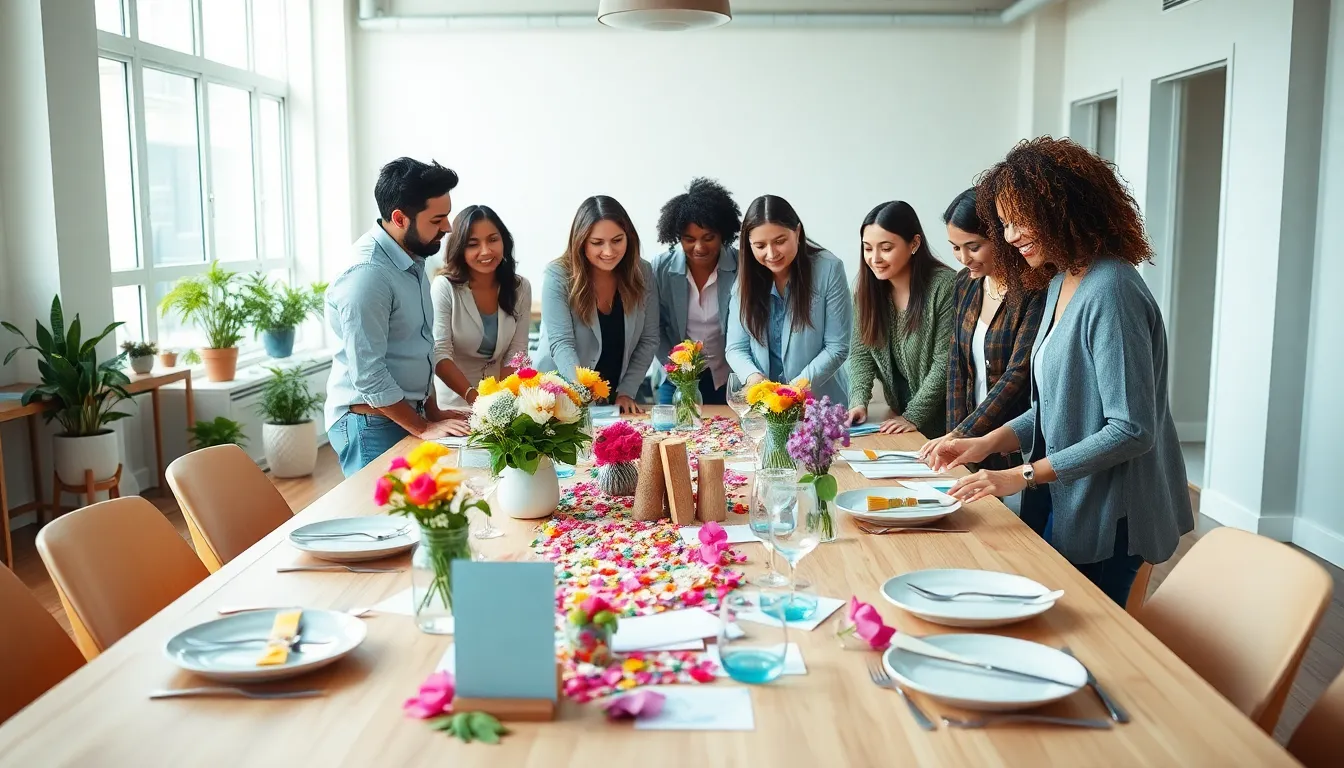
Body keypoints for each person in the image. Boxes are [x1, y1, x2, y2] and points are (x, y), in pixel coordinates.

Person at [930, 137, 1194, 607]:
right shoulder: (1061, 280)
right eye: (1004, 223)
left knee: (1090, 635)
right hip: (1068, 496)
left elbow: (1131, 430)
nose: (1011, 236)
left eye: (1020, 219)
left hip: (1112, 513)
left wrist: (1023, 475)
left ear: (1062, 208)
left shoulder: (1111, 291)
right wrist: (987, 442)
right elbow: (1056, 405)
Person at [324, 157, 470, 478]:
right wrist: (422, 427)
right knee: (382, 510)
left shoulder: (413, 257)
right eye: (437, 219)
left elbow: (417, 347)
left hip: (402, 414)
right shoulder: (367, 274)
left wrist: (432, 412)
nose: (448, 227)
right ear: (400, 218)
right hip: (370, 421)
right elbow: (369, 375)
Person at [916, 189, 1046, 519]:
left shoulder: (1034, 289)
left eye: (973, 247)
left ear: (1000, 238)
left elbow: (1017, 374)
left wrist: (964, 433)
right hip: (971, 440)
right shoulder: (965, 284)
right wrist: (955, 438)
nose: (963, 258)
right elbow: (957, 367)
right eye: (955, 247)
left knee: (1015, 533)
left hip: (1014, 445)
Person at [535, 195, 658, 414]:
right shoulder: (558, 275)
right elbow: (561, 344)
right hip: (560, 396)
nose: (609, 251)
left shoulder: (643, 272)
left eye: (617, 240)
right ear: (581, 241)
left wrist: (626, 392)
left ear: (629, 237)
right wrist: (583, 397)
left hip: (614, 398)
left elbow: (649, 339)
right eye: (597, 243)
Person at [725, 194, 850, 405]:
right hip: (765, 407)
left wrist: (793, 391)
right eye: (760, 246)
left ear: (797, 232)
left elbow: (836, 347)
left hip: (819, 406)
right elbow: (736, 348)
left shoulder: (829, 269)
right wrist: (754, 379)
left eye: (780, 241)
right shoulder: (745, 281)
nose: (771, 253)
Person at [845, 201, 956, 436]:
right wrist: (858, 402)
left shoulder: (945, 286)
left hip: (945, 424)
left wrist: (913, 416)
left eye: (886, 248)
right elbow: (861, 354)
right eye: (868, 248)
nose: (875, 258)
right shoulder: (867, 292)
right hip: (899, 418)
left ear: (914, 243)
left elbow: (944, 363)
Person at [430, 205, 532, 409]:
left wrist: (502, 400)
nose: (486, 251)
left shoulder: (520, 287)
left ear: (504, 241)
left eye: (493, 240)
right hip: (455, 406)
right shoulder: (444, 287)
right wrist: (476, 400)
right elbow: (440, 353)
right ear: (460, 249)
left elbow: (517, 351)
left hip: (502, 403)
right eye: (473, 244)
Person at [651, 178, 742, 406]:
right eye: (689, 239)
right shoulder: (661, 269)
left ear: (723, 234)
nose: (699, 248)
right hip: (676, 379)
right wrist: (675, 367)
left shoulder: (742, 266)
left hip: (730, 378)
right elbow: (654, 328)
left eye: (708, 238)